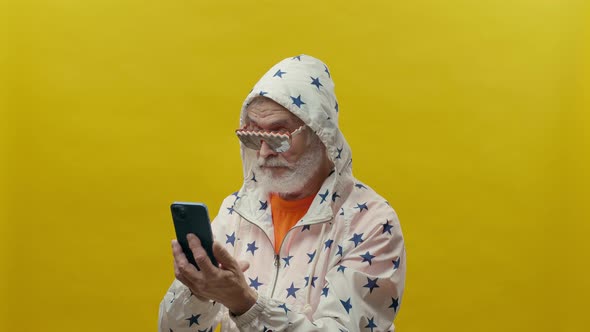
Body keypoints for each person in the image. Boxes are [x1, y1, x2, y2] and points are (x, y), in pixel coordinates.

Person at [158, 54, 406, 331]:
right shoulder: (237, 211)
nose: (263, 152)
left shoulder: (370, 221)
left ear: (320, 132)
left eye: (279, 136)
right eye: (252, 136)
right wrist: (197, 292)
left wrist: (245, 304)